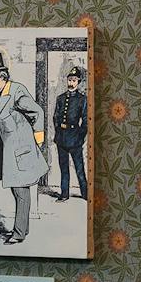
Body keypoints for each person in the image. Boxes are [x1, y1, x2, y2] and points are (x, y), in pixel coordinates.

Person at [0, 51, 48, 245]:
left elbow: (37, 111)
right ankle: (23, 229)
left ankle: (18, 233)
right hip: (9, 153)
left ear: (2, 77)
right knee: (18, 191)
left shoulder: (16, 91)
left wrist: (38, 138)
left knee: (21, 191)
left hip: (21, 151)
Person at [52, 63, 89, 203]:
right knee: (64, 168)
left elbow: (85, 121)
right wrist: (58, 131)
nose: (71, 83)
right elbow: (55, 117)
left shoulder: (82, 99)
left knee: (79, 168)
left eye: (74, 80)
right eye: (69, 80)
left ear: (78, 82)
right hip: (61, 137)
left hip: (75, 139)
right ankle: (64, 193)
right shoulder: (60, 98)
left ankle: (85, 194)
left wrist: (80, 136)